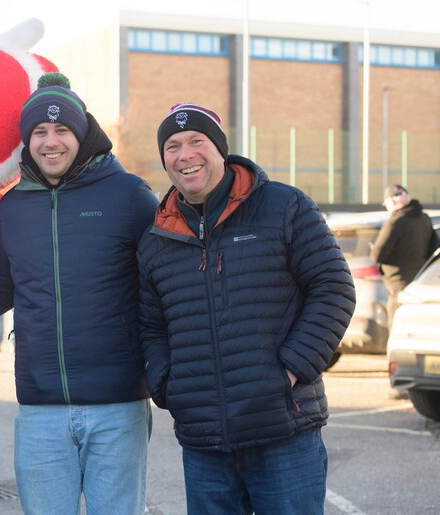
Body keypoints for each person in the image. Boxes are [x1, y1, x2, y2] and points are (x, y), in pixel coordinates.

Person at [138, 103, 357, 514]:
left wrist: (288, 370)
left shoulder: (284, 207)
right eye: (172, 146)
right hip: (203, 443)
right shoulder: (157, 236)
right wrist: (168, 385)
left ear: (220, 149)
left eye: (196, 142)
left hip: (283, 431)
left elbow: (334, 289)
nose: (185, 155)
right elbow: (151, 326)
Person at [0, 72, 158, 514]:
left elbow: (166, 285)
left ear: (82, 134)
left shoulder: (130, 195)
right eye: (39, 132)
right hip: (40, 407)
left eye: (62, 129)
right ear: (27, 140)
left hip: (118, 405)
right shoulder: (12, 208)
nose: (51, 142)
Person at [372, 184, 440, 326]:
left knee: (397, 323)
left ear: (392, 201)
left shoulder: (394, 223)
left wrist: (373, 249)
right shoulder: (424, 218)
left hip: (397, 284)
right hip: (419, 281)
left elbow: (378, 256)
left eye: (386, 203)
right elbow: (434, 248)